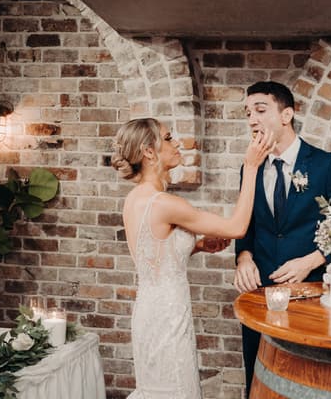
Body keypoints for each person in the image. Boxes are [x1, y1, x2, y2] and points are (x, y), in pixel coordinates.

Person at [111, 117, 273, 399]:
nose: (177, 143)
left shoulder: (136, 198)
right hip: (169, 316)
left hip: (149, 309)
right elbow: (237, 228)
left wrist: (195, 246)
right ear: (149, 152)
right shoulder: (165, 204)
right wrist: (251, 167)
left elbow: (152, 252)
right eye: (169, 137)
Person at [234, 81, 331, 397]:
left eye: (260, 110)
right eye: (247, 112)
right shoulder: (249, 167)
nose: (252, 119)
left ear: (287, 115)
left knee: (309, 377)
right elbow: (247, 224)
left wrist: (310, 261)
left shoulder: (325, 165)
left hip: (310, 290)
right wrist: (244, 257)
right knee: (258, 373)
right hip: (260, 291)